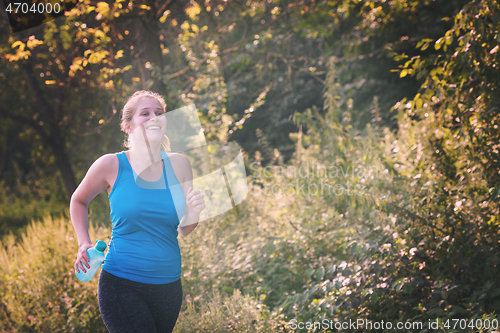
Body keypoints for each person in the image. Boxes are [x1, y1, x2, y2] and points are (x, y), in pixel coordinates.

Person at [70, 90, 205, 333]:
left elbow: (184, 228)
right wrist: (83, 242)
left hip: (169, 287)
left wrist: (194, 212)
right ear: (128, 126)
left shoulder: (180, 164)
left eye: (159, 113)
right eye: (145, 113)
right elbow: (78, 201)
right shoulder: (111, 165)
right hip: (122, 283)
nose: (154, 117)